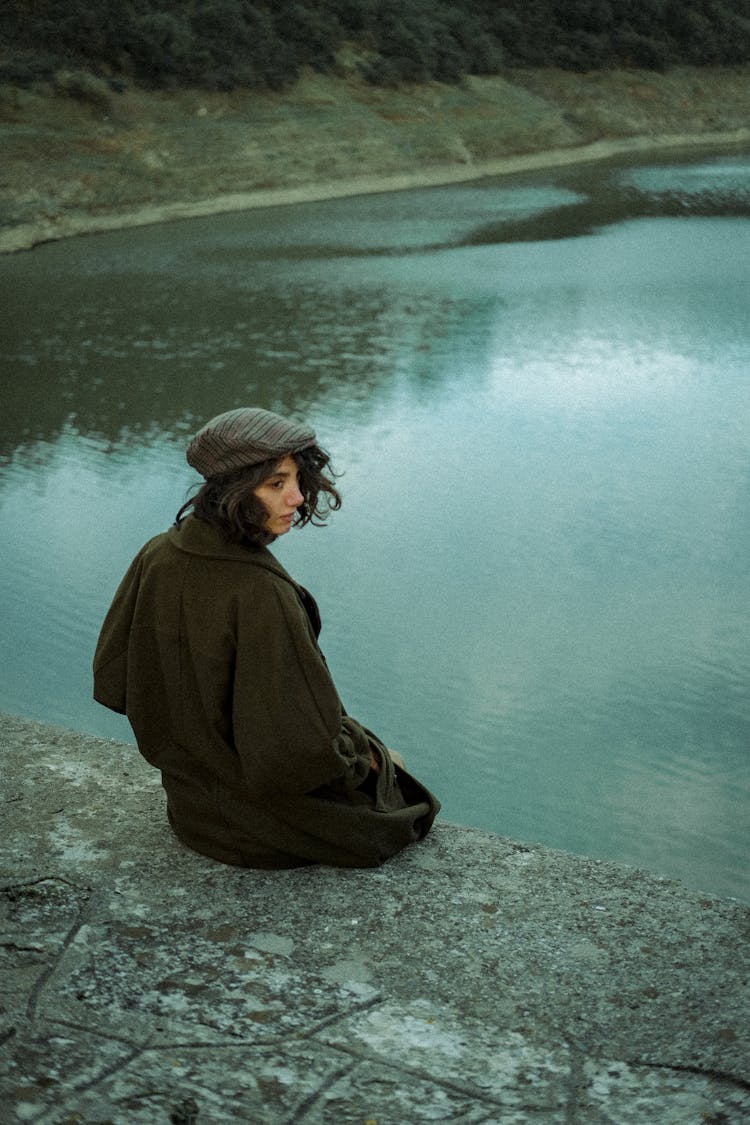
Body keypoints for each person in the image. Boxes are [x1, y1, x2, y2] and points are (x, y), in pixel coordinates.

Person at [93, 407, 440, 868]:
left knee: (374, 754)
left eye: (297, 479)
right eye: (276, 484)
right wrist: (363, 758)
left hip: (191, 807)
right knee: (406, 797)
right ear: (232, 491)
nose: (296, 497)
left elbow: (114, 679)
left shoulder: (158, 552)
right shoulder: (262, 594)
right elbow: (301, 756)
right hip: (250, 828)